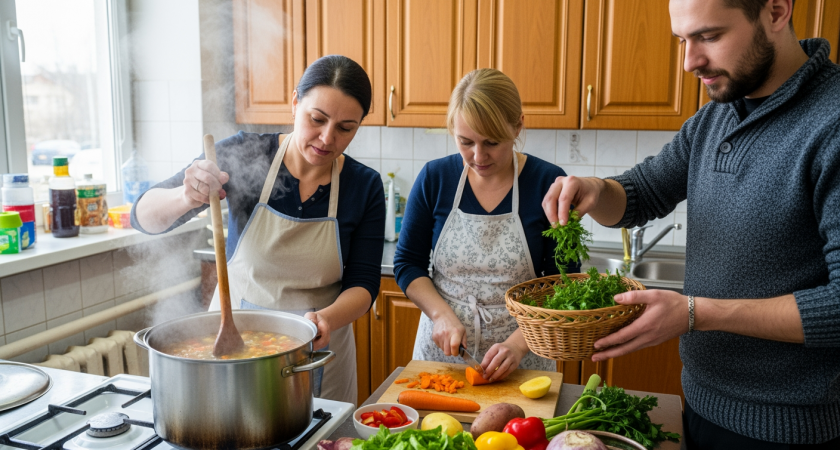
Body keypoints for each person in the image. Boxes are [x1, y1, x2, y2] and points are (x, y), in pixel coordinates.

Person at [543, 0, 840, 447]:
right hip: (699, 405)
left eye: (709, 36)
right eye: (683, 40)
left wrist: (696, 313)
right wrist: (595, 189)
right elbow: (640, 195)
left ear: (776, 11)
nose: (689, 62)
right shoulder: (717, 114)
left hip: (790, 430)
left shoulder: (831, 123)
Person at [131, 55, 385, 405]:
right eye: (317, 119)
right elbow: (144, 216)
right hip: (235, 345)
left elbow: (364, 284)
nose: (327, 138)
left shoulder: (364, 185)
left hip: (320, 346)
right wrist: (185, 196)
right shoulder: (245, 155)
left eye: (345, 128)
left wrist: (324, 319)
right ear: (295, 102)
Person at [394, 69, 579, 382]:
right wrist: (440, 315)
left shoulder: (548, 182)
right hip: (444, 354)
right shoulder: (435, 179)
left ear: (518, 124)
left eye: (492, 142)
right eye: (465, 141)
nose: (478, 156)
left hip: (524, 357)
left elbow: (565, 280)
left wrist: (519, 345)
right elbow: (408, 263)